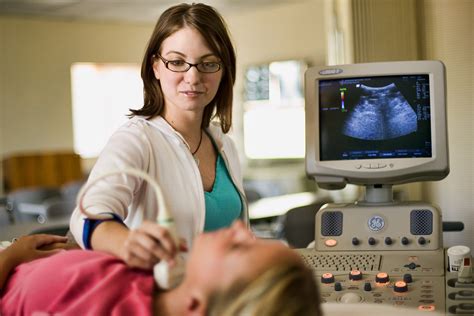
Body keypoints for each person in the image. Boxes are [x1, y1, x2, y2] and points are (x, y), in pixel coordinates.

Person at [69, 2, 246, 270]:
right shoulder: (137, 139)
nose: (193, 76)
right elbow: (87, 215)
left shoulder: (224, 144)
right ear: (155, 67)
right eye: (176, 62)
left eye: (208, 63)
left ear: (224, 70)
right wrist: (126, 243)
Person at [0, 222, 321, 315]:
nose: (239, 227)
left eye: (238, 247)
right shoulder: (155, 286)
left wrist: (12, 256)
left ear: (196, 304)